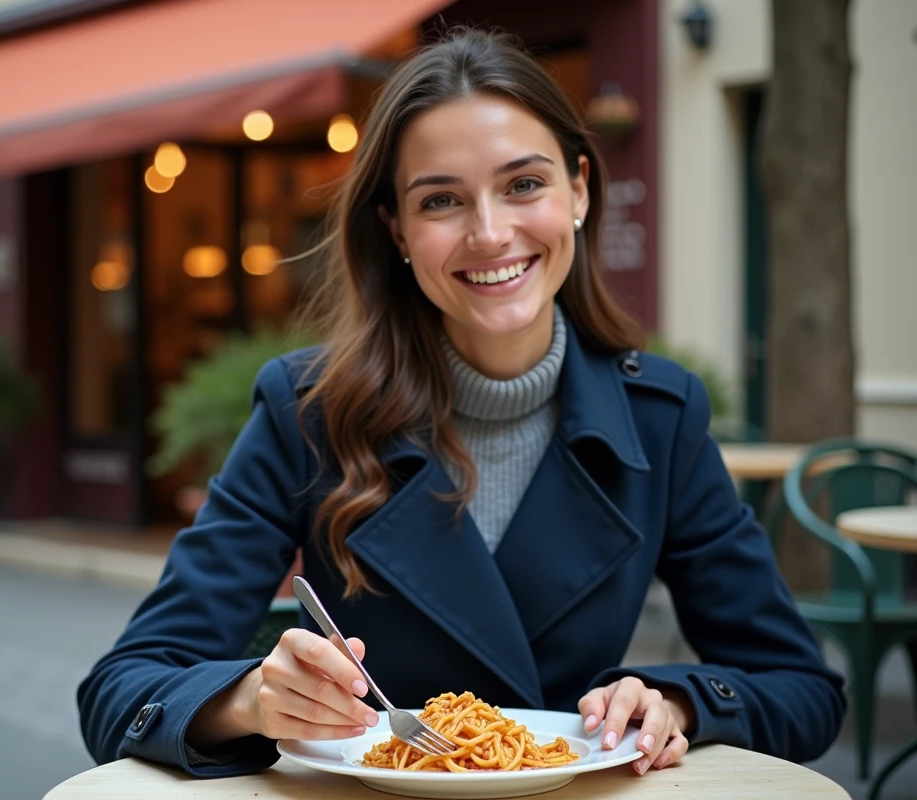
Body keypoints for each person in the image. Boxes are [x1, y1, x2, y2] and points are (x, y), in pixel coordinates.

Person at [77, 27, 846, 779]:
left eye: (524, 184)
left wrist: (676, 702)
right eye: (442, 200)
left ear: (578, 189)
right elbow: (119, 693)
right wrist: (247, 700)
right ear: (398, 231)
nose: (490, 233)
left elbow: (804, 692)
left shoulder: (661, 416)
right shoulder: (304, 410)